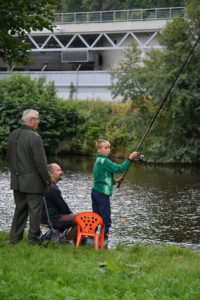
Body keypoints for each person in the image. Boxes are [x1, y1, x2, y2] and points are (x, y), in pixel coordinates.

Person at [7, 109, 51, 245]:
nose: (38, 122)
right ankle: (34, 240)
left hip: (16, 179)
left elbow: (9, 158)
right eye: (37, 119)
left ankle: (15, 239)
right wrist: (48, 180)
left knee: (19, 209)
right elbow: (41, 163)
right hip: (33, 182)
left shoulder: (13, 135)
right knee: (35, 212)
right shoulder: (35, 137)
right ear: (31, 121)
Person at [91, 139, 138, 243]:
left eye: (109, 147)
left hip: (96, 192)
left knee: (96, 217)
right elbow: (119, 168)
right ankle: (104, 241)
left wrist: (115, 181)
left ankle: (90, 239)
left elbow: (101, 179)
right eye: (105, 147)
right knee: (106, 219)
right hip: (102, 195)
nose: (108, 150)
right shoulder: (104, 161)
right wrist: (130, 158)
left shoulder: (98, 160)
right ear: (99, 149)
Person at [41, 163, 77, 242]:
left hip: (43, 218)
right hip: (52, 220)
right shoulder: (53, 189)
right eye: (58, 170)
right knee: (81, 219)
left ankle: (56, 235)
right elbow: (64, 209)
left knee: (72, 217)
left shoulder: (43, 186)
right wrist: (69, 213)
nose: (62, 172)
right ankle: (65, 240)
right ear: (50, 174)